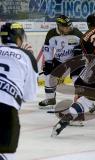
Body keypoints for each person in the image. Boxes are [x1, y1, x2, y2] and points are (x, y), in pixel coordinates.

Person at [51, 14, 95, 136]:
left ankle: (72, 115)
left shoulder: (84, 37)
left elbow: (90, 58)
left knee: (84, 92)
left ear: (88, 25)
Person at [0, 23, 38, 160]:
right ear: (18, 38)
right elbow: (29, 95)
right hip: (6, 109)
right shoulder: (26, 56)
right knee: (7, 153)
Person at [38, 15, 83, 108]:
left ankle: (84, 102)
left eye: (70, 26)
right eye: (67, 27)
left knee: (78, 80)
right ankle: (50, 99)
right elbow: (48, 49)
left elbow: (85, 47)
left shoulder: (77, 33)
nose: (69, 28)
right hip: (59, 61)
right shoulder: (51, 34)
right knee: (49, 77)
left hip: (74, 61)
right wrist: (48, 62)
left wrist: (80, 51)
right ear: (60, 26)